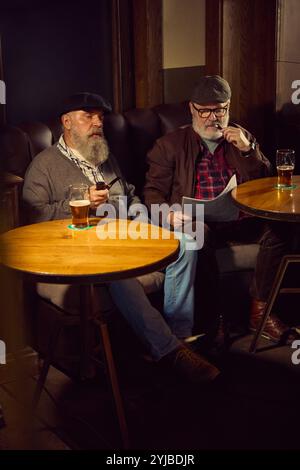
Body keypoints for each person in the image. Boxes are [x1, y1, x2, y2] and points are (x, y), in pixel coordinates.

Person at [22, 91, 220, 383]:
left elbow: (130, 195)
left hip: (126, 236)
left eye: (100, 118)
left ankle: (179, 336)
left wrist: (147, 222)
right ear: (66, 122)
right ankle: (169, 351)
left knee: (189, 240)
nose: (97, 123)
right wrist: (81, 204)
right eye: (87, 117)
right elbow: (33, 215)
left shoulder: (105, 157)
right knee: (119, 273)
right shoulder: (44, 165)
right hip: (85, 250)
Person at [144, 75, 300, 345]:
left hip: (241, 218)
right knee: (198, 235)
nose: (212, 117)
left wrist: (249, 150)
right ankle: (214, 318)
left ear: (228, 108)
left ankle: (260, 311)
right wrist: (168, 213)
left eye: (220, 109)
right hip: (199, 221)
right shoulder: (168, 145)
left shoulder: (241, 137)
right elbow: (152, 193)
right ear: (192, 108)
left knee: (281, 227)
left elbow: (266, 182)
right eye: (204, 110)